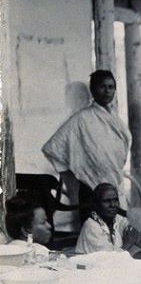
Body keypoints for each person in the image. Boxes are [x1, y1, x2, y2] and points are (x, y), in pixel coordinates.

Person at [42, 70, 131, 221]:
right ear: (93, 90)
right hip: (91, 186)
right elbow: (53, 147)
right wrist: (73, 174)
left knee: (116, 231)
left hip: (114, 181)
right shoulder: (81, 119)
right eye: (102, 86)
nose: (107, 91)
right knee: (93, 231)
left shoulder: (115, 119)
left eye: (111, 87)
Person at [75, 183, 141, 260]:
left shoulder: (117, 219)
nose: (113, 205)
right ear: (96, 205)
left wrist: (138, 238)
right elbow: (109, 259)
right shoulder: (91, 226)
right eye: (107, 201)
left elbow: (130, 230)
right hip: (92, 268)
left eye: (115, 200)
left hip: (110, 264)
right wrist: (128, 242)